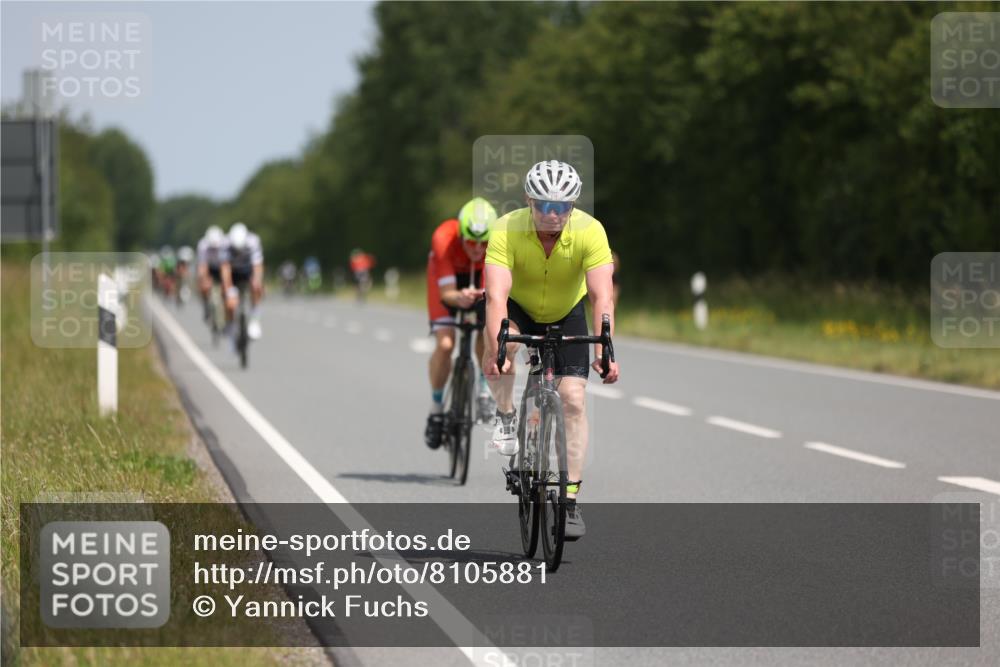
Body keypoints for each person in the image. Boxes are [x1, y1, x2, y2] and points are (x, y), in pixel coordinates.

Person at [483, 160, 620, 540]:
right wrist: (498, 348)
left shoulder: (591, 231)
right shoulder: (506, 229)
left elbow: (601, 295)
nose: (552, 214)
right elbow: (496, 295)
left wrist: (605, 348)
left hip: (566, 311)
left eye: (562, 206)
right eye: (543, 204)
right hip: (518, 310)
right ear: (529, 199)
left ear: (573, 205)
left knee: (573, 398)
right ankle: (507, 414)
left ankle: (570, 499)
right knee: (502, 346)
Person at [423, 197, 497, 449]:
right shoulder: (443, 238)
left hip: (479, 277)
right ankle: (435, 410)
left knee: (488, 332)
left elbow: (494, 297)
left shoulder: (497, 244)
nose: (477, 248)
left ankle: (484, 390)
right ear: (461, 234)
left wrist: (481, 300)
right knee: (445, 344)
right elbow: (446, 294)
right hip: (446, 281)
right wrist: (460, 298)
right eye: (471, 241)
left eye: (483, 242)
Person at [225, 222, 265, 340]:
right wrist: (229, 289)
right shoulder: (226, 243)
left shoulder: (253, 241)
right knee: (229, 299)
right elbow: (224, 268)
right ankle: (231, 324)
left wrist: (257, 281)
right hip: (233, 272)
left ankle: (255, 319)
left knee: (256, 287)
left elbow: (257, 265)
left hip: (248, 270)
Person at [196, 226, 229, 322]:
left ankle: (224, 310)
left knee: (226, 287)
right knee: (204, 286)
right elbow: (202, 265)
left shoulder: (225, 244)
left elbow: (225, 266)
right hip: (209, 267)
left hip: (221, 267)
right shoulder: (202, 245)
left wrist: (226, 282)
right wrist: (204, 280)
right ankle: (206, 305)